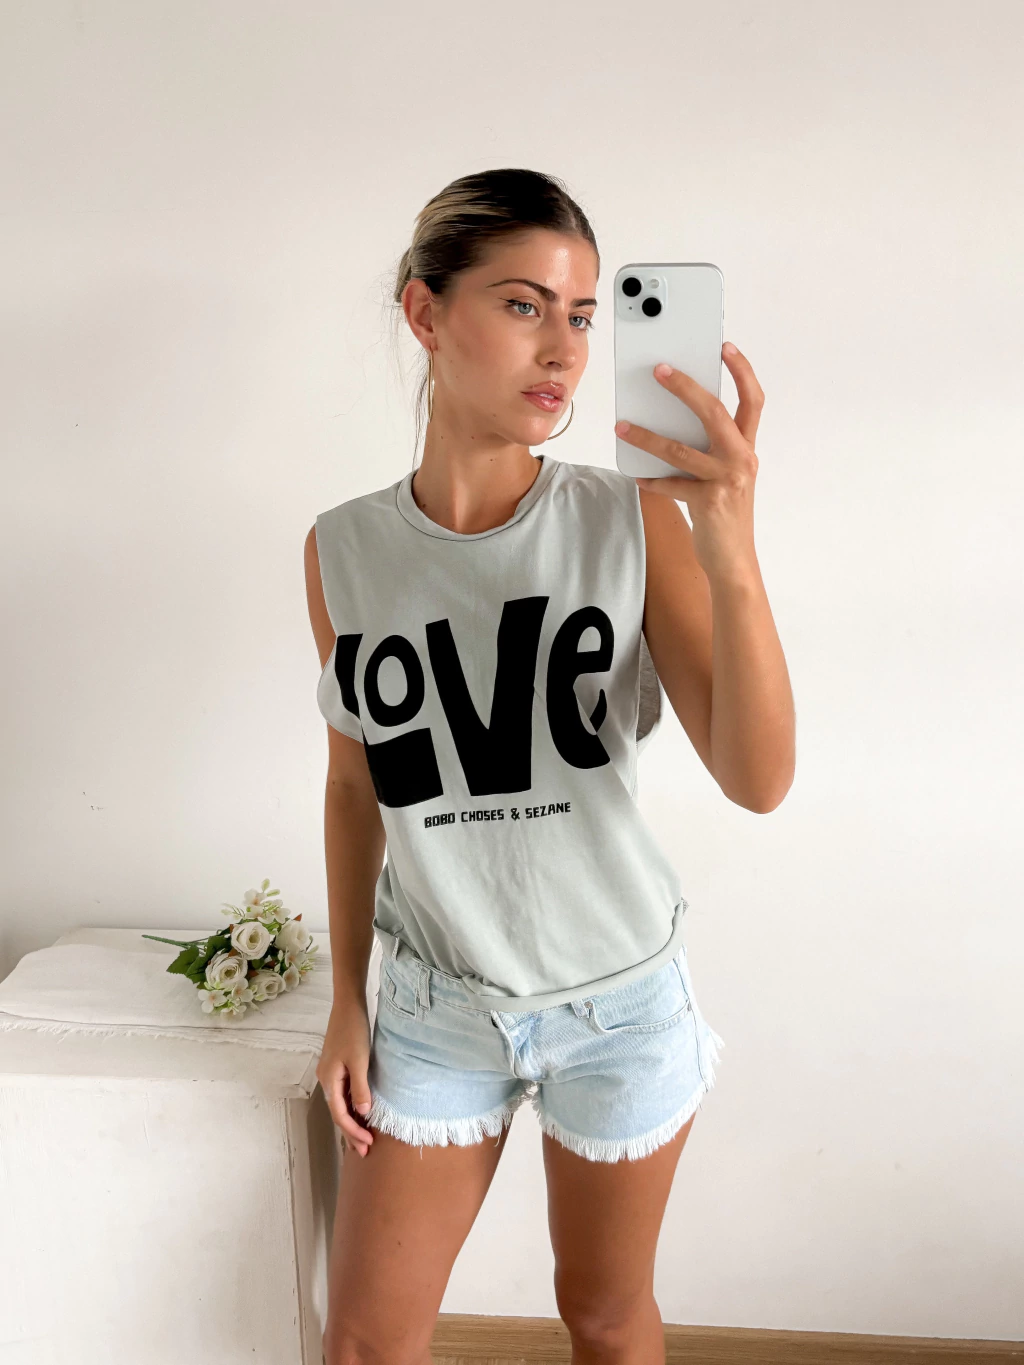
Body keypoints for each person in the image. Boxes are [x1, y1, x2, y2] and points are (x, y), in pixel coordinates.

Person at [304, 167, 794, 1365]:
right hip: (436, 1005)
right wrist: (346, 1000)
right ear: (425, 313)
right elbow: (359, 783)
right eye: (524, 305)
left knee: (606, 1319)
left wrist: (729, 546)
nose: (565, 349)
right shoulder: (342, 549)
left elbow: (757, 779)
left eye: (581, 314)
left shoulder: (628, 521)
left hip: (617, 1001)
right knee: (365, 1341)